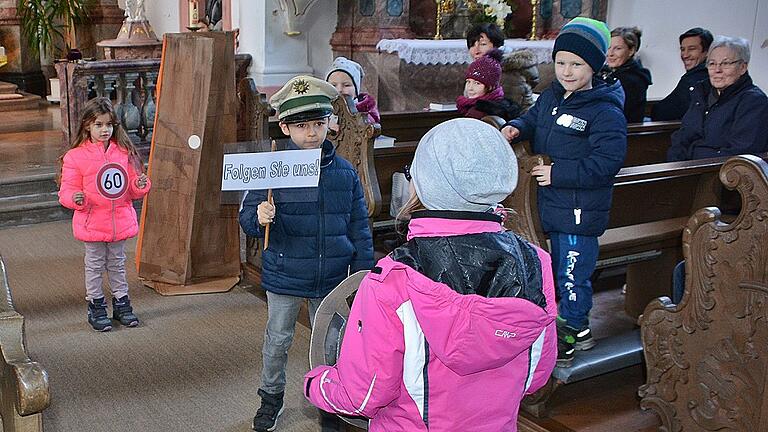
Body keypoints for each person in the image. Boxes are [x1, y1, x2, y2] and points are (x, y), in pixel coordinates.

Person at [304, 118, 557, 431]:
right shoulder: (536, 261)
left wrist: (317, 383)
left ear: (424, 184)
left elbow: (362, 395)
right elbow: (535, 376)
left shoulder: (394, 279)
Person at [238, 75, 374, 432]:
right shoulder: (273, 168)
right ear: (284, 126)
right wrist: (259, 216)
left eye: (318, 123)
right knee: (278, 340)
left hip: (331, 275)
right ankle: (271, 397)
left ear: (329, 122)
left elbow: (359, 225)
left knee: (332, 342)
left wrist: (363, 275)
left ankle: (331, 403)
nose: (311, 133)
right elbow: (248, 218)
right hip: (285, 269)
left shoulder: (344, 172)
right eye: (301, 126)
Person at [500, 17, 627, 367]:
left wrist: (560, 173)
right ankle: (569, 327)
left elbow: (607, 162)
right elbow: (534, 118)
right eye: (560, 63)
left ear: (595, 66)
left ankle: (571, 331)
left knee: (572, 273)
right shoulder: (553, 96)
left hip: (579, 208)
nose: (567, 71)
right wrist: (516, 128)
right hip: (547, 205)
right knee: (549, 269)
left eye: (576, 64)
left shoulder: (604, 110)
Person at [57, 97, 151, 332]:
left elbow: (130, 188)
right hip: (93, 221)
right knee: (95, 265)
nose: (104, 130)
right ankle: (96, 304)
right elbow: (67, 190)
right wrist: (75, 198)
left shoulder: (123, 152)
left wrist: (140, 184)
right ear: (87, 126)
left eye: (108, 125)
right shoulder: (76, 157)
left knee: (118, 264)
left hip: (119, 220)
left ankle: (121, 302)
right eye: (98, 124)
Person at [666, 36, 768, 161]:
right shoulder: (701, 93)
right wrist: (673, 166)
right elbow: (682, 138)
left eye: (725, 63)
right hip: (685, 169)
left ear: (742, 67)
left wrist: (693, 154)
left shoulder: (754, 101)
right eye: (712, 63)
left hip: (719, 174)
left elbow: (742, 152)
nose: (717, 70)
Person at [651, 28, 713, 121]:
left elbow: (664, 112)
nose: (685, 55)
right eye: (683, 49)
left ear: (707, 51)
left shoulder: (694, 79)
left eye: (692, 49)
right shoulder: (706, 75)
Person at [600, 26, 652, 123]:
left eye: (618, 48)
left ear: (631, 51)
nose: (610, 53)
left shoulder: (633, 79)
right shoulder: (606, 72)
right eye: (608, 48)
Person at [456, 48, 520, 120]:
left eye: (477, 83)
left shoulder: (477, 113)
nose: (470, 88)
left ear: (490, 87)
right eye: (468, 82)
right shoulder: (500, 102)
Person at [325, 56, 380, 126]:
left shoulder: (365, 109)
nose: (339, 90)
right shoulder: (324, 109)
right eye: (333, 85)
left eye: (346, 85)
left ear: (356, 90)